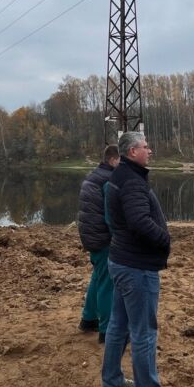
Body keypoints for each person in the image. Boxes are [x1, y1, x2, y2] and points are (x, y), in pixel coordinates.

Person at [100, 130, 182, 387]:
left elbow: (124, 222)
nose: (150, 151)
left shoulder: (121, 176)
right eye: (146, 147)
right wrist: (165, 239)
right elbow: (138, 222)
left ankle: (112, 382)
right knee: (144, 333)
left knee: (119, 326)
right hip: (136, 267)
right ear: (132, 152)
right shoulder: (132, 181)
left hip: (122, 261)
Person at [77, 144, 120, 343]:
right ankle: (106, 329)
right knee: (107, 283)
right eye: (121, 161)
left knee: (98, 277)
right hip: (102, 238)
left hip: (90, 236)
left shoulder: (94, 176)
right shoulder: (108, 180)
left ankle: (88, 319)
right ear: (113, 160)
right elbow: (110, 214)